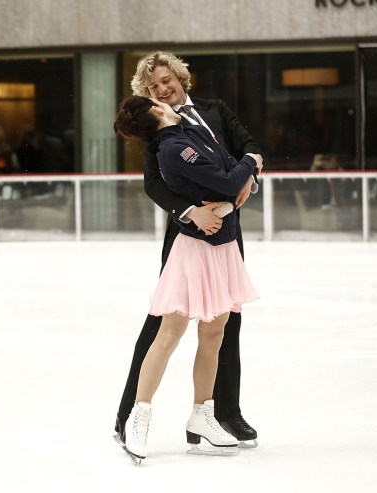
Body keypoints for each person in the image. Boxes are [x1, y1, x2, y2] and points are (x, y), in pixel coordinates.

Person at [114, 51, 263, 450]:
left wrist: (247, 181)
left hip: (226, 233)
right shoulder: (157, 131)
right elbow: (154, 185)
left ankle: (220, 412)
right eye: (153, 86)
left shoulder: (213, 111)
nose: (163, 89)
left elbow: (247, 148)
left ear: (181, 77)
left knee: (222, 324)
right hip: (189, 232)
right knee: (164, 327)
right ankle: (132, 412)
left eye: (167, 80)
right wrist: (191, 211)